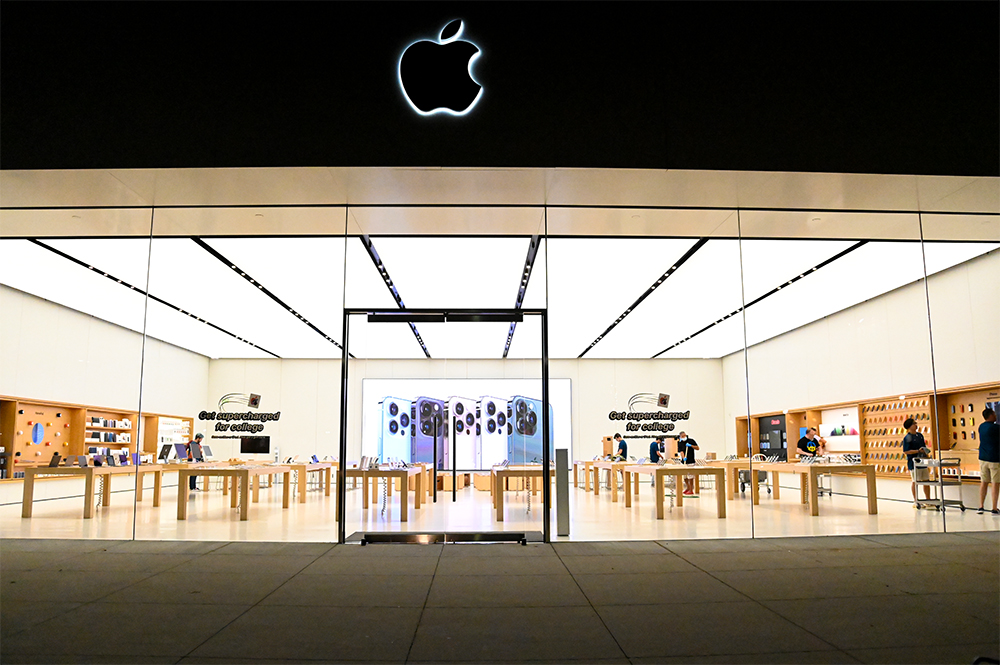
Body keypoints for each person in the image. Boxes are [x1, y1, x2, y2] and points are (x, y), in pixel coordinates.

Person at [902, 418, 931, 506]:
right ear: (909, 427)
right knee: (915, 481)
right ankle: (916, 501)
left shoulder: (920, 435)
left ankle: (928, 500)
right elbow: (906, 451)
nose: (916, 425)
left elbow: (923, 446)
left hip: (922, 462)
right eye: (914, 424)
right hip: (914, 463)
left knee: (926, 481)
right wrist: (917, 451)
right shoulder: (907, 438)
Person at [977, 407, 999, 515]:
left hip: (983, 458)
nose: (995, 415)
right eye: (994, 414)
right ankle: (994, 508)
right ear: (990, 415)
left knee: (984, 482)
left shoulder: (981, 427)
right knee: (995, 483)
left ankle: (981, 505)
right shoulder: (995, 428)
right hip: (994, 458)